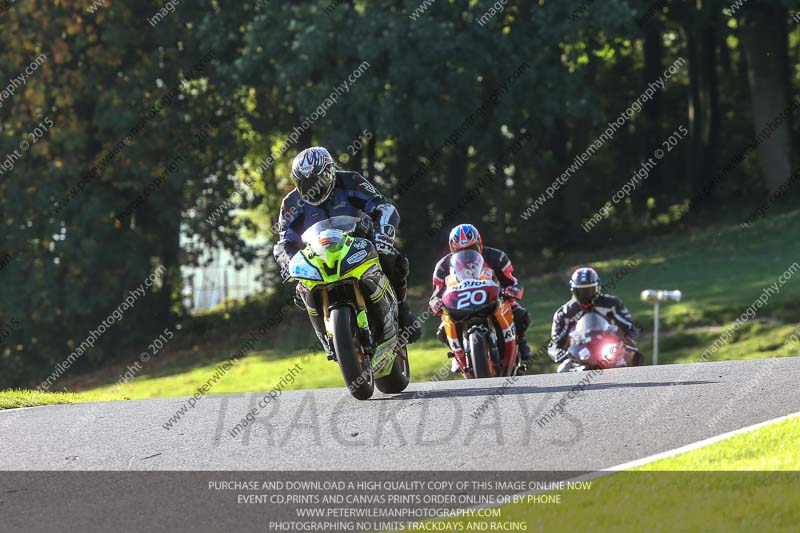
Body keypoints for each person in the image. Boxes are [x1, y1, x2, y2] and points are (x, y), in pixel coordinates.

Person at [273, 147, 421, 357]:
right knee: (301, 291)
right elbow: (283, 242)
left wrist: (383, 236)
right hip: (319, 256)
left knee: (393, 260)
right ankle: (328, 338)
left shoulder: (352, 181)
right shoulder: (291, 203)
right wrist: (288, 264)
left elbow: (383, 207)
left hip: (360, 244)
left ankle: (403, 311)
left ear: (330, 172)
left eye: (317, 180)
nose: (311, 188)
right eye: (304, 183)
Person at [428, 224, 533, 370]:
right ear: (452, 248)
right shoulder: (442, 266)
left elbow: (512, 281)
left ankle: (521, 343)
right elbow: (436, 292)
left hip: (494, 298)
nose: (466, 255)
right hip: (460, 302)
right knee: (442, 331)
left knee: (520, 314)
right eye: (460, 250)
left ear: (479, 243)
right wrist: (435, 302)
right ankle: (457, 354)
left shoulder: (496, 256)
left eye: (471, 249)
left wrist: (512, 290)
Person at [548, 267, 642, 371]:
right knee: (562, 370)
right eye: (581, 291)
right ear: (573, 290)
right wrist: (560, 354)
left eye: (589, 290)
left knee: (631, 358)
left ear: (597, 288)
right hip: (580, 354)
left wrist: (627, 340)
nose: (586, 295)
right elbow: (554, 344)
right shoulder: (564, 313)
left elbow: (630, 326)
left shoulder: (612, 304)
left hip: (609, 349)